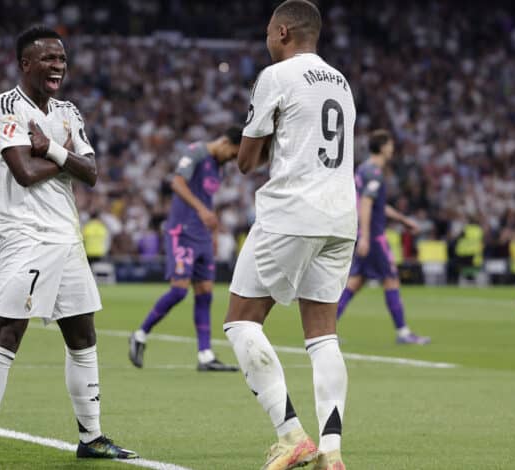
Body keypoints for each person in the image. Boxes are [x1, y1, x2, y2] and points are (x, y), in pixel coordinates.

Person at [0, 26, 137, 467]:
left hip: (67, 238)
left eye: (61, 59)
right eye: (48, 59)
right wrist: (65, 158)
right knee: (7, 334)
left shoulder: (68, 111)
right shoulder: (4, 106)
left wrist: (53, 150)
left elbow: (91, 172)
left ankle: (91, 437)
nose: (58, 65)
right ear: (26, 64)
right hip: (26, 237)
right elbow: (22, 171)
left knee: (83, 336)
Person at [223, 2, 355, 469]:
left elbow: (245, 161)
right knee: (323, 336)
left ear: (282, 32)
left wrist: (271, 136)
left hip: (292, 213)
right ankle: (332, 451)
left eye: (267, 33)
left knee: (241, 321)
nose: (266, 41)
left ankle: (291, 436)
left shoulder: (276, 76)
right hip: (341, 217)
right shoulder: (340, 81)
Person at [128, 129, 242, 371]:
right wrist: (201, 210)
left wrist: (212, 234)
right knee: (179, 291)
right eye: (233, 153)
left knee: (205, 293)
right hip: (182, 231)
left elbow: (208, 201)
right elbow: (177, 182)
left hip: (202, 235)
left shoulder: (219, 166)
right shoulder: (196, 152)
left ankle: (205, 356)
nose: (232, 159)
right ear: (224, 142)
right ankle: (139, 334)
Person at [336, 129, 430, 344]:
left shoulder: (363, 169)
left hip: (365, 233)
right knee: (391, 279)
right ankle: (403, 333)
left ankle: (327, 332)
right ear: (383, 146)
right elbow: (366, 204)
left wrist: (403, 220)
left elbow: (376, 205)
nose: (392, 149)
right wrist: (365, 237)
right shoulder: (374, 173)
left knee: (355, 282)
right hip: (374, 237)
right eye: (390, 145)